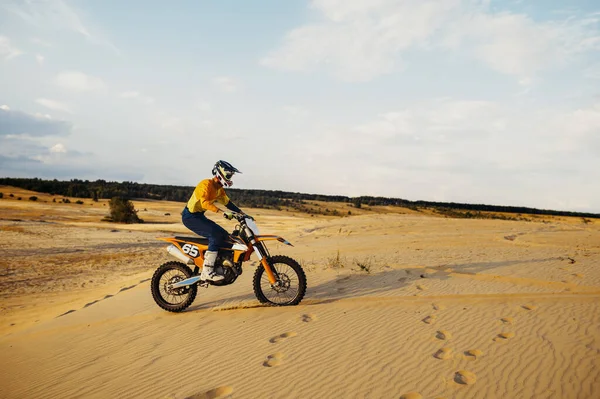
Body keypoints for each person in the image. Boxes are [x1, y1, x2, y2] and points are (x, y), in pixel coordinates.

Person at [182, 160, 248, 282]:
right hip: (190, 217)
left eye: (231, 176)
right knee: (215, 236)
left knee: (224, 235)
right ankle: (207, 271)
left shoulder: (219, 189)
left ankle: (220, 263)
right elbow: (204, 203)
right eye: (228, 175)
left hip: (199, 216)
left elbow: (228, 203)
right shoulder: (205, 184)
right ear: (219, 174)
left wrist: (243, 214)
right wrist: (221, 213)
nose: (230, 178)